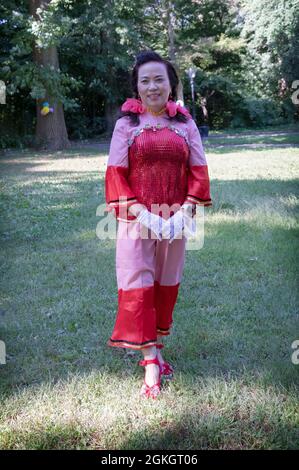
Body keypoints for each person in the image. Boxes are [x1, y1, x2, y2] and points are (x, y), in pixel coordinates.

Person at [105, 50, 212, 399]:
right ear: (137, 88)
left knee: (166, 286)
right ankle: (151, 362)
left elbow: (198, 169)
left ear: (171, 85)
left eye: (159, 79)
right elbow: (115, 173)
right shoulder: (126, 125)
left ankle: (157, 346)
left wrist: (185, 211)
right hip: (137, 219)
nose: (152, 86)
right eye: (145, 81)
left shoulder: (186, 124)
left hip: (176, 221)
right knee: (138, 285)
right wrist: (142, 213)